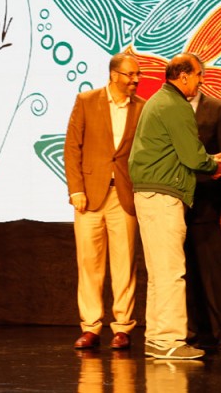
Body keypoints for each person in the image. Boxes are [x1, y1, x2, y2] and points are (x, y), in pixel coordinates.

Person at [128, 52, 221, 360]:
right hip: (163, 196)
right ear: (183, 76)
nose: (201, 81)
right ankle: (171, 340)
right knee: (172, 272)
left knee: (160, 273)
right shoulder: (175, 105)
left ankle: (157, 338)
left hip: (150, 195)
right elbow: (193, 156)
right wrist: (216, 164)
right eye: (199, 75)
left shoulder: (158, 101)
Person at [64, 51, 145, 350]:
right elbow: (72, 147)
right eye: (130, 74)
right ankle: (91, 327)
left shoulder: (142, 108)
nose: (136, 79)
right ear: (114, 75)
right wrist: (76, 190)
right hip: (89, 196)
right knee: (89, 263)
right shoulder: (87, 101)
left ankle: (122, 327)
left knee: (125, 264)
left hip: (124, 194)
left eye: (137, 74)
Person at [185, 58, 221, 351]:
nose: (198, 80)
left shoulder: (217, 109)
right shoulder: (167, 109)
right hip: (176, 206)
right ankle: (189, 331)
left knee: (215, 271)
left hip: (208, 204)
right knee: (184, 273)